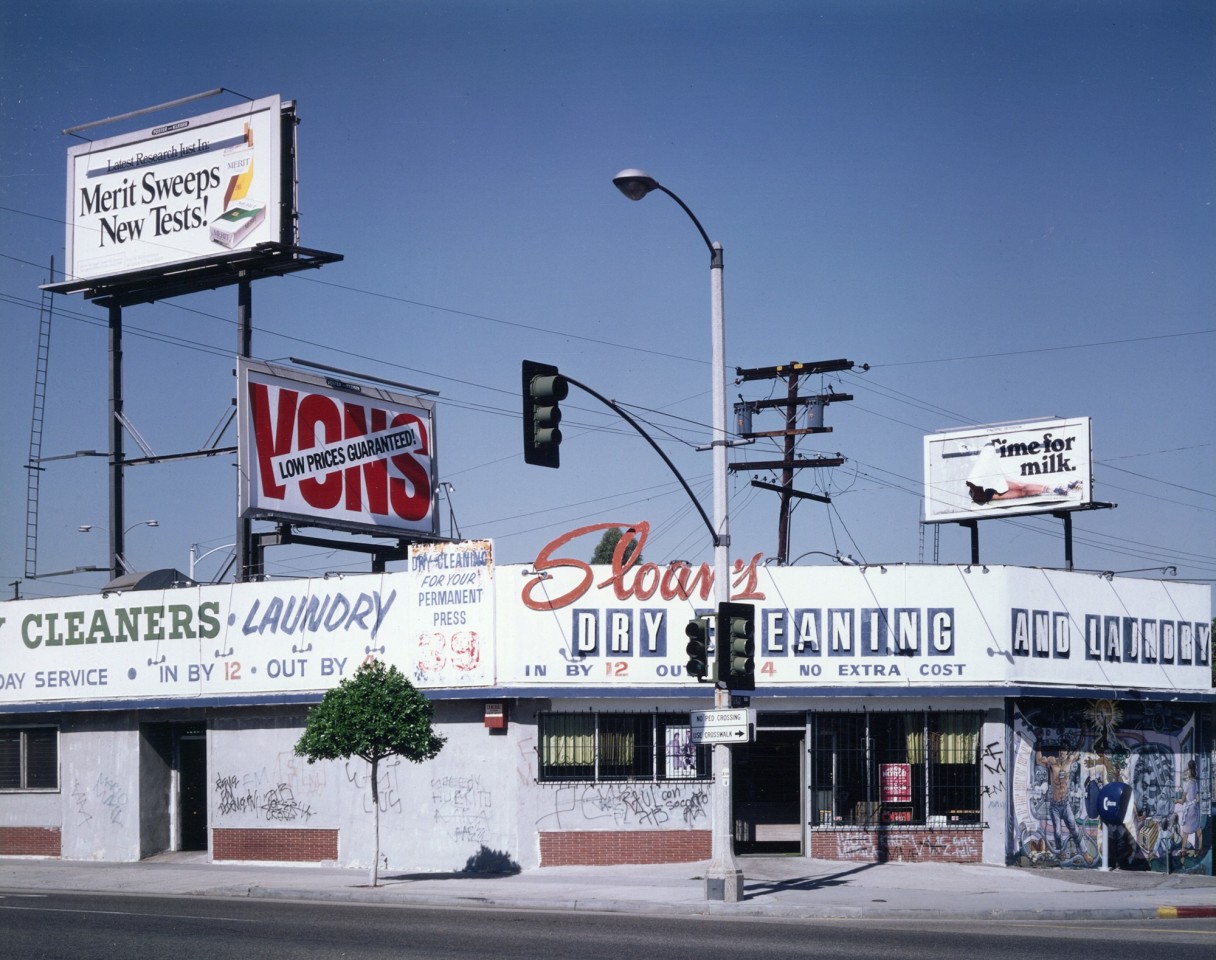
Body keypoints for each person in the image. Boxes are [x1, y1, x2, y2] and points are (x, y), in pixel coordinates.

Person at [1036, 740, 1084, 858]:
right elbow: (1039, 760)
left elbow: (1078, 749)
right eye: (1061, 750)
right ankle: (1060, 852)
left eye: (1065, 750)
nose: (1062, 752)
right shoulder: (1053, 761)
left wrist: (1082, 735)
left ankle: (1083, 852)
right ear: (1059, 751)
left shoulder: (1069, 761)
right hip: (1055, 805)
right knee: (1057, 831)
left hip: (1065, 804)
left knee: (1075, 830)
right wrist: (1038, 742)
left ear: (1067, 752)